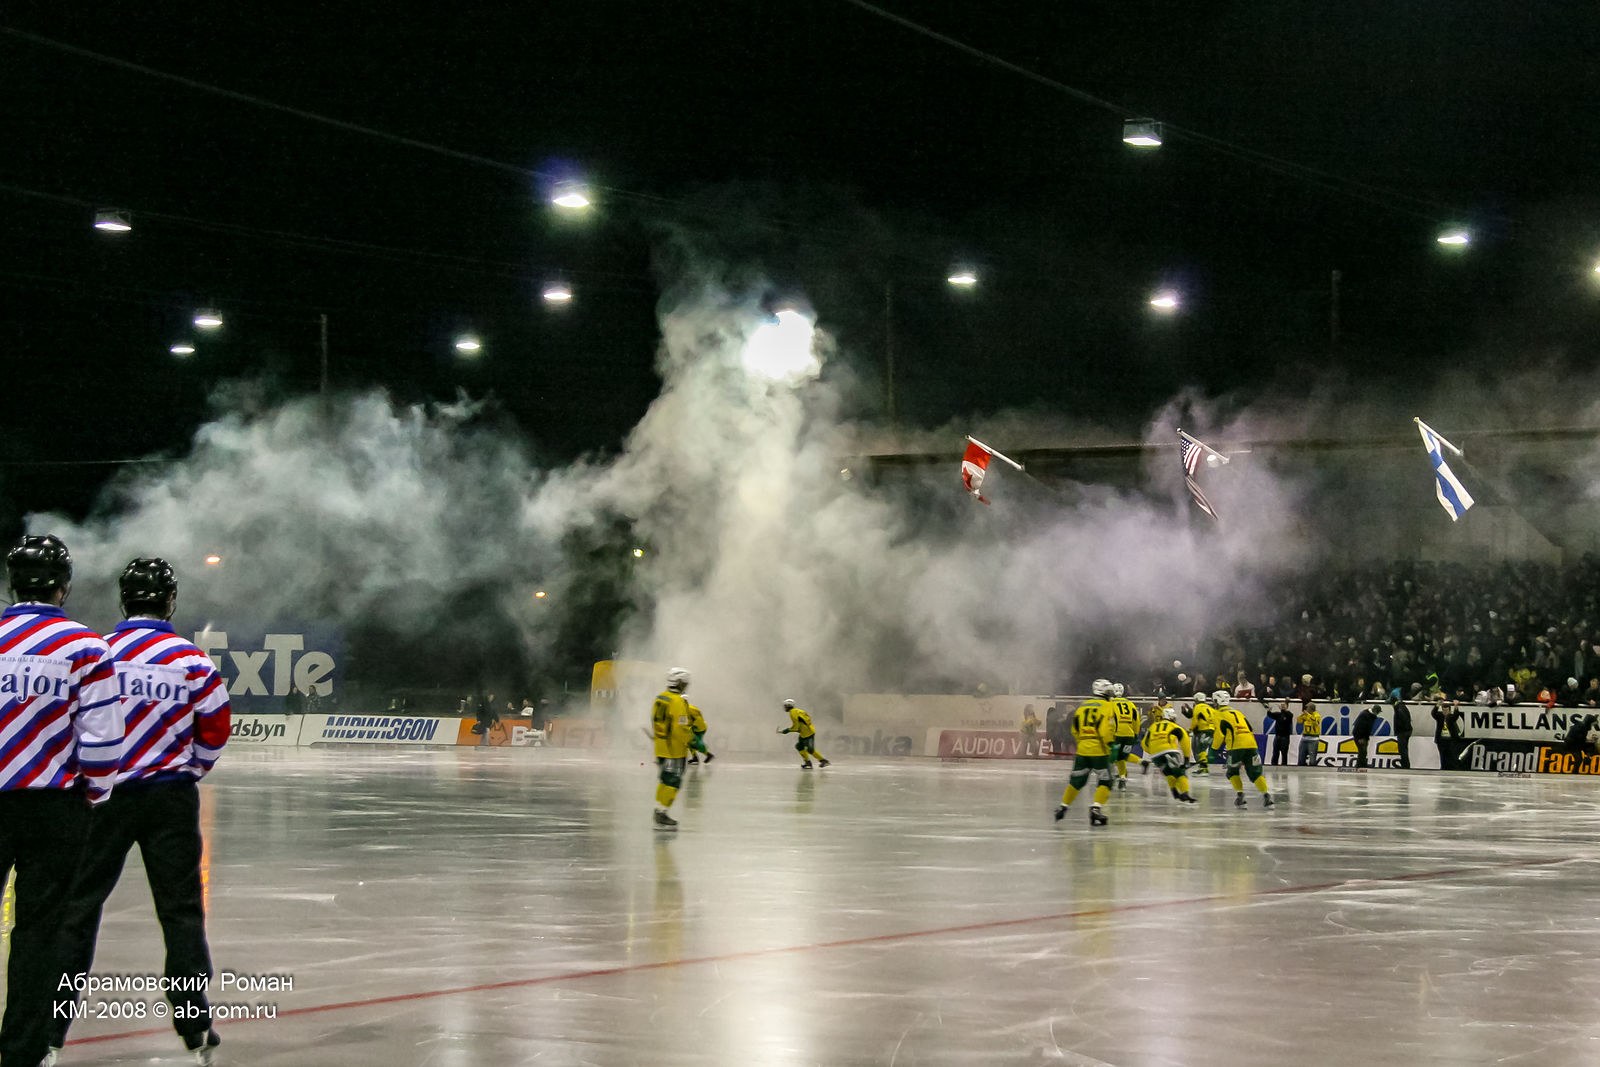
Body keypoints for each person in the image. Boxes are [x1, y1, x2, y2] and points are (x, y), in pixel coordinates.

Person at [50, 558, 231, 1065]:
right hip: (169, 798)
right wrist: (190, 769)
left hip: (104, 796)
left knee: (78, 909)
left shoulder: (97, 651)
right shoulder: (193, 661)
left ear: (124, 600)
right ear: (169, 601)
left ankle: (50, 1028)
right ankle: (195, 1024)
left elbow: (72, 723)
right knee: (180, 911)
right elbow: (216, 730)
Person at [0, 535, 122, 1067]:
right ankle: (22, 1052)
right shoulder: (87, 648)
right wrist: (95, 794)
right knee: (40, 933)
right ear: (63, 586)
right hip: (54, 807)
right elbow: (103, 742)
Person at [1054, 678, 1117, 827]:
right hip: (1099, 750)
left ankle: (1063, 807)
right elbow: (1106, 730)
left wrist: (1082, 743)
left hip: (1082, 750)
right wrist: (1111, 746)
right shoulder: (1108, 706)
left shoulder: (1082, 707)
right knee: (1106, 780)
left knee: (1076, 782)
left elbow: (1075, 730)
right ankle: (1096, 808)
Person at [651, 668, 695, 827]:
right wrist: (692, 741)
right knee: (673, 781)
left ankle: (658, 808)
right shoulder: (678, 702)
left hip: (661, 748)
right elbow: (680, 728)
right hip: (674, 750)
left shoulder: (660, 698)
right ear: (679, 682)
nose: (686, 686)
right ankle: (662, 812)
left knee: (664, 780)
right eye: (685, 683)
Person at [1214, 691, 1273, 808]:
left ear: (1216, 702)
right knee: (1256, 773)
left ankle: (1240, 796)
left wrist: (1214, 749)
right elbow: (1250, 728)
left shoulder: (1218, 714)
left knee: (1232, 772)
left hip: (1236, 747)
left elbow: (1219, 734)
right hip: (1251, 745)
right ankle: (1267, 796)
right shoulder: (1238, 713)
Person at [1143, 707, 1198, 804]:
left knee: (1168, 772)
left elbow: (1144, 743)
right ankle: (1185, 793)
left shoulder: (1153, 726)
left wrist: (1153, 751)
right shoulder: (1174, 726)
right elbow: (1185, 742)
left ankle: (1174, 792)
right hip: (1169, 751)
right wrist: (1186, 759)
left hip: (1155, 755)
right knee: (1180, 772)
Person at [778, 699, 829, 769]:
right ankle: (807, 762)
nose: (784, 707)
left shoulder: (792, 713)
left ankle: (823, 761)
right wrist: (800, 729)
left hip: (808, 733)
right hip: (805, 732)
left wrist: (786, 730)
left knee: (810, 750)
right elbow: (804, 721)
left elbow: (795, 727)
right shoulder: (798, 711)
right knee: (799, 746)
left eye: (785, 706)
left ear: (788, 706)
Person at [1109, 683, 1141, 789]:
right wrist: (1136, 733)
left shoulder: (1111, 703)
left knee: (1114, 757)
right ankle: (1123, 778)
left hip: (1116, 734)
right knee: (1123, 756)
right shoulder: (1130, 704)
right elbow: (1136, 720)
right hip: (1129, 735)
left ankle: (1112, 777)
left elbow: (1109, 719)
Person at [1187, 692, 1218, 776]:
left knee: (1199, 750)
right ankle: (1203, 768)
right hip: (1211, 730)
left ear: (1196, 699)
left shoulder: (1197, 707)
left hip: (1202, 730)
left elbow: (1195, 721)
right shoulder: (1210, 707)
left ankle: (1203, 769)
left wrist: (1190, 730)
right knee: (1203, 750)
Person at [686, 699, 716, 765]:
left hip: (698, 729)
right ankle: (696, 757)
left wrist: (693, 727)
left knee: (695, 743)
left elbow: (698, 719)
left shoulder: (689, 709)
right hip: (697, 728)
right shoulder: (687, 708)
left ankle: (708, 755)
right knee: (689, 742)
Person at [1265, 699, 1294, 766]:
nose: (1282, 706)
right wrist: (1269, 710)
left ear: (1287, 706)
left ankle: (1284, 765)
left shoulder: (1289, 714)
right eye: (1281, 705)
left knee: (1284, 753)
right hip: (1277, 736)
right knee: (1275, 752)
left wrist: (1283, 710)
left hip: (1285, 737)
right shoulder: (1278, 715)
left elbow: (1289, 715)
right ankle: (1274, 764)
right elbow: (1270, 715)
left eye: (1284, 705)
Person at [1352, 704, 1380, 769]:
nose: (1378, 713)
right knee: (1362, 750)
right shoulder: (1365, 715)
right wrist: (1360, 737)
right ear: (1375, 711)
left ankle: (1363, 764)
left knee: (1364, 751)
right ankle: (1359, 765)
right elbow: (1359, 727)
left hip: (1364, 736)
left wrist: (1366, 738)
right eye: (1378, 712)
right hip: (1360, 736)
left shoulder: (1371, 716)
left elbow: (1368, 728)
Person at [1391, 694, 1414, 769]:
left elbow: (1403, 720)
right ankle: (1405, 764)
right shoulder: (1402, 707)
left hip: (1403, 731)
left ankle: (1405, 765)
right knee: (1404, 749)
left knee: (1402, 749)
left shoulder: (1399, 708)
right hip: (1406, 731)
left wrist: (1399, 730)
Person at [1297, 702, 1322, 766]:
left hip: (1313, 739)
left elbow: (1314, 722)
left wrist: (1308, 714)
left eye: (1307, 707)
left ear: (1311, 708)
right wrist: (1302, 715)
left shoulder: (1316, 715)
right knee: (1301, 758)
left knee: (1312, 759)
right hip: (1304, 738)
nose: (1306, 708)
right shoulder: (1306, 715)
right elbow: (1299, 721)